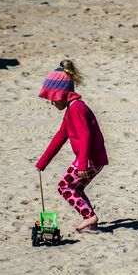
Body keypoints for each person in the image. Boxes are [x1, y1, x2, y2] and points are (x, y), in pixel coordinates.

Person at [35, 60, 108, 231]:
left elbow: (85, 136)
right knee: (77, 188)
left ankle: (90, 217)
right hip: (94, 158)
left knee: (64, 187)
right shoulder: (71, 109)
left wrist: (82, 163)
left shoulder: (77, 109)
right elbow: (60, 137)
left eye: (54, 99)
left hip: (89, 159)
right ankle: (92, 222)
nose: (53, 103)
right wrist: (43, 162)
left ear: (62, 95)